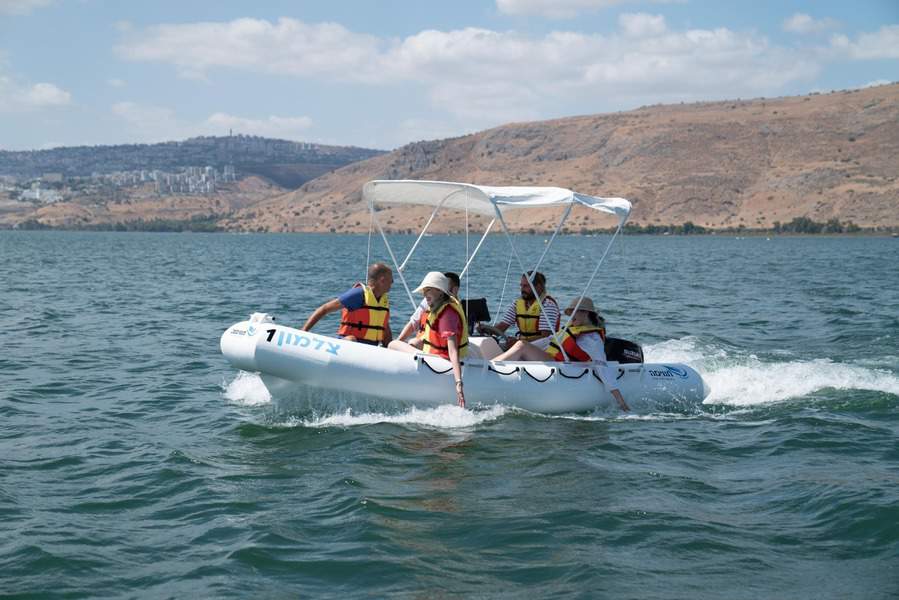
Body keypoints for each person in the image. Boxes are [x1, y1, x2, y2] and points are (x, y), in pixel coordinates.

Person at [492, 297, 630, 412]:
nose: (571, 317)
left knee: (522, 346)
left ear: (585, 313)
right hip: (551, 359)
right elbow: (548, 340)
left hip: (558, 365)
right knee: (521, 345)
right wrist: (519, 346)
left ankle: (490, 367)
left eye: (574, 313)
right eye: (570, 313)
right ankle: (494, 364)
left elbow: (602, 366)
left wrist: (620, 400)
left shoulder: (592, 338)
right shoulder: (572, 328)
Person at [389, 272, 468, 408]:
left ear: (440, 292)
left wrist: (458, 383)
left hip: (438, 360)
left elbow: (453, 351)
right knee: (410, 342)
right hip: (434, 355)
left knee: (393, 344)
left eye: (428, 290)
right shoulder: (438, 306)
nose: (425, 294)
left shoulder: (447, 315)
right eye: (424, 291)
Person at [301, 262, 393, 346]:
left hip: (370, 349)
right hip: (349, 345)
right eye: (391, 279)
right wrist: (302, 334)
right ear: (382, 280)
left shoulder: (383, 300)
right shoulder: (358, 294)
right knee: (351, 339)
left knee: (393, 344)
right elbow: (324, 309)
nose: (392, 282)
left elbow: (384, 329)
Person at [480, 271, 560, 342]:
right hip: (522, 345)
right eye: (521, 286)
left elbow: (545, 337)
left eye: (526, 286)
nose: (522, 289)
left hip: (543, 349)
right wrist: (485, 329)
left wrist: (518, 342)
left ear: (538, 287)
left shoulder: (548, 305)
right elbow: (502, 327)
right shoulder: (517, 304)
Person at [396, 272, 460, 348]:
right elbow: (413, 322)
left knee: (412, 343)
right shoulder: (429, 300)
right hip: (425, 342)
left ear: (455, 289)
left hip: (436, 346)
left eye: (445, 285)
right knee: (396, 344)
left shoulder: (452, 309)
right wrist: (399, 340)